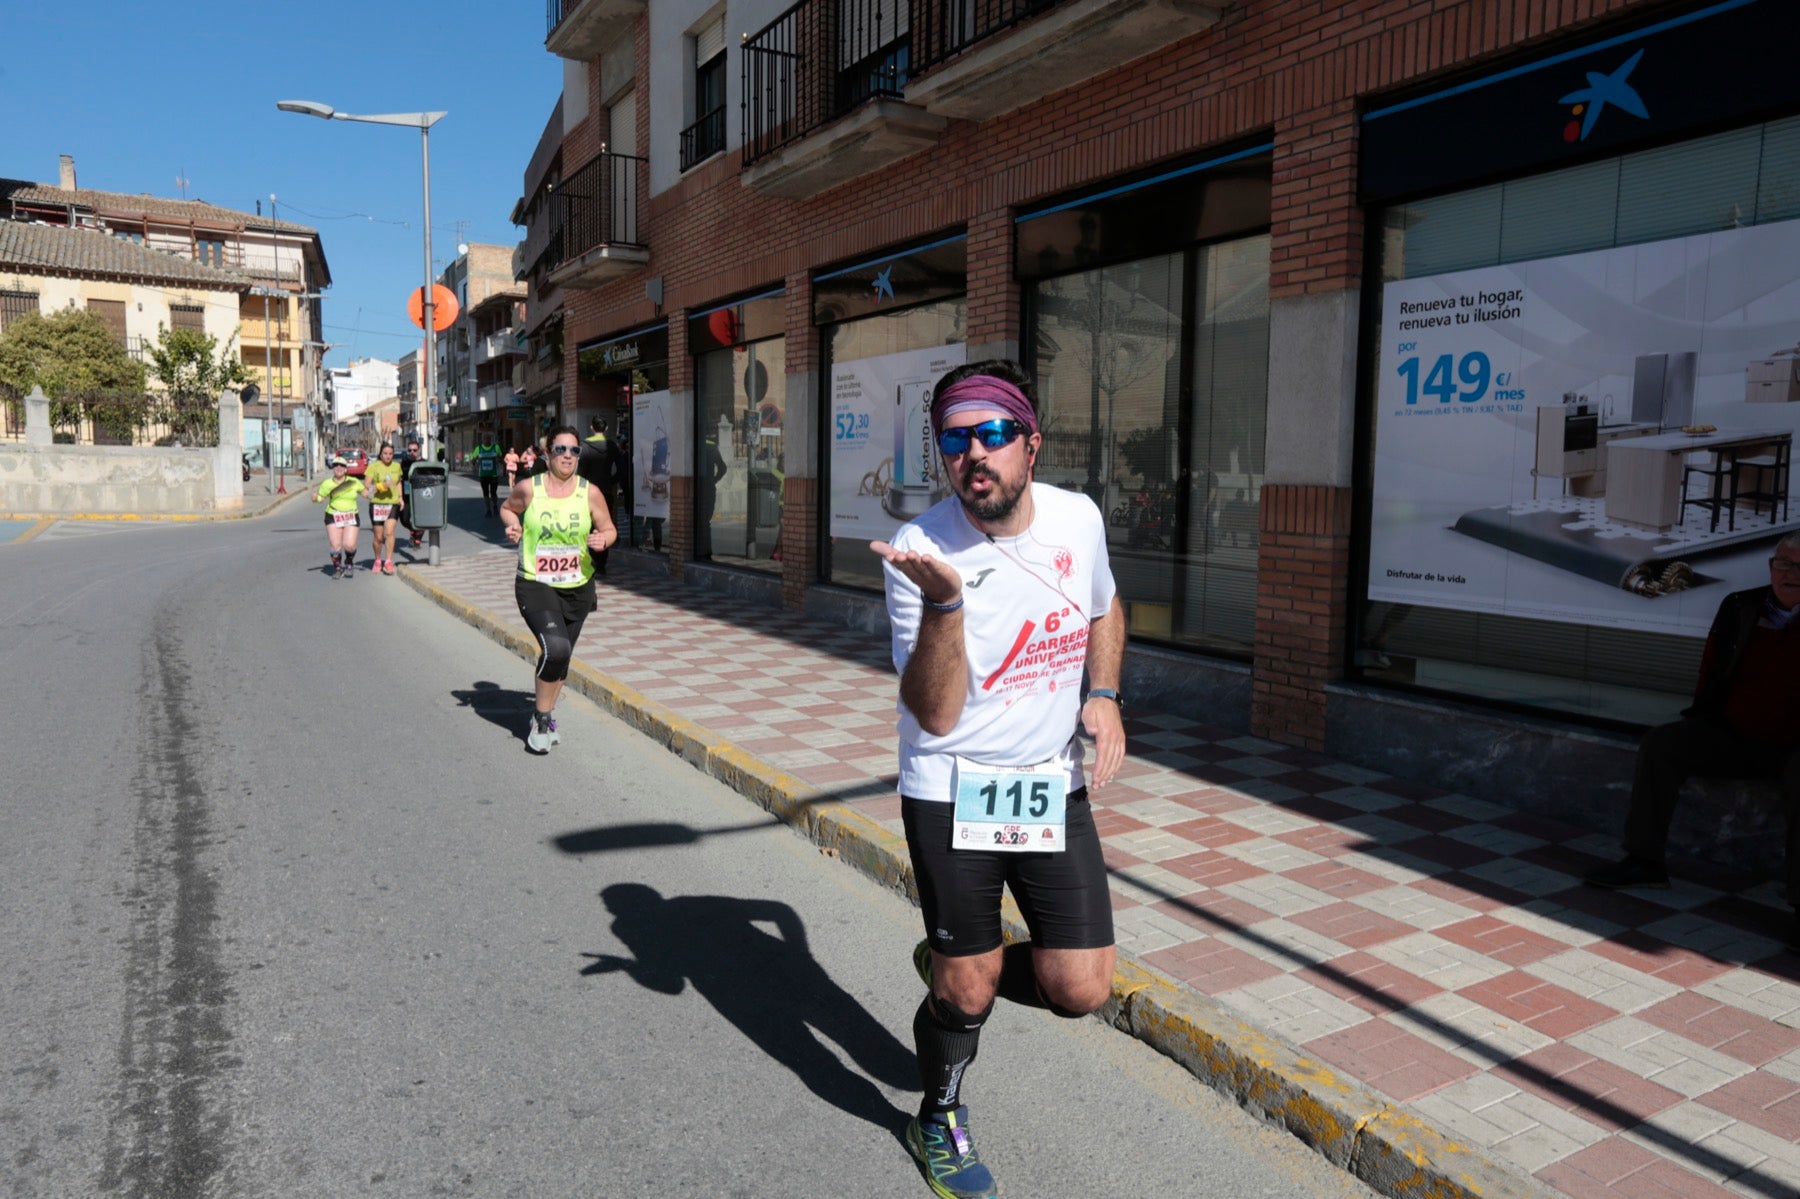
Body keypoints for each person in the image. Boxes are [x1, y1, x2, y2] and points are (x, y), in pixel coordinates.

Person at [869, 360, 1126, 1199]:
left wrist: (1105, 694)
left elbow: (1102, 606)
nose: (973, 454)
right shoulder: (918, 549)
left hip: (1049, 781)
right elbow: (934, 714)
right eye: (955, 439)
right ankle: (936, 1113)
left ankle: (954, 971)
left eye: (993, 434)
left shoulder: (1077, 518)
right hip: (950, 784)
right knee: (971, 983)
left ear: (1030, 441)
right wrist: (945, 606)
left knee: (1080, 985)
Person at [1587, 532, 1800, 950]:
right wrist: (1707, 717)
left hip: (1794, 748)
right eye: (1783, 563)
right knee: (1662, 744)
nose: (1790, 574)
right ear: (1771, 567)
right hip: (1735, 734)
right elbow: (1712, 669)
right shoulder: (1742, 606)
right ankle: (1645, 861)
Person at [500, 425, 617, 753]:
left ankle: (547, 715)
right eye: (561, 449)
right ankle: (539, 719)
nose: (568, 456)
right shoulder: (529, 488)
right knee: (556, 648)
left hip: (578, 585)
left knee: (561, 657)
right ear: (547, 454)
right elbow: (508, 508)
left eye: (574, 451)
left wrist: (602, 539)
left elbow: (609, 528)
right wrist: (513, 526)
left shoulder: (589, 492)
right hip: (535, 582)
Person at [578, 415, 624, 576]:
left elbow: (580, 473)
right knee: (604, 526)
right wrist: (611, 481)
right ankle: (602, 563)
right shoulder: (612, 446)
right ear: (605, 429)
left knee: (588, 527)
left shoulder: (584, 446)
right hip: (605, 492)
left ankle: (591, 559)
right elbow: (621, 469)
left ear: (592, 427)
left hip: (587, 494)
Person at [313, 455, 367, 579]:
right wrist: (315, 498)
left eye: (342, 465)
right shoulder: (327, 483)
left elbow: (365, 493)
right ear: (333, 468)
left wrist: (379, 489)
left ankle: (348, 562)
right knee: (335, 545)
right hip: (333, 514)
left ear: (346, 469)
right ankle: (338, 568)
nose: (338, 467)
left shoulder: (353, 482)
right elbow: (321, 498)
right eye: (336, 465)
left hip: (351, 515)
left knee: (349, 545)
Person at [363, 443, 405, 576]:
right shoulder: (373, 467)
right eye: (385, 453)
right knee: (379, 537)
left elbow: (398, 482)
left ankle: (388, 561)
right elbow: (367, 486)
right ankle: (377, 560)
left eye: (390, 454)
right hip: (377, 504)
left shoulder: (397, 466)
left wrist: (400, 497)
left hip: (392, 504)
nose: (388, 456)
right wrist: (382, 486)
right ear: (381, 454)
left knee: (389, 532)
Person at [397, 438, 424, 548]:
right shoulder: (404, 463)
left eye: (414, 450)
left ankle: (417, 539)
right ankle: (414, 531)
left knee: (421, 519)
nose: (412, 452)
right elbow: (399, 478)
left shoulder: (424, 463)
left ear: (419, 449)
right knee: (404, 519)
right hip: (406, 495)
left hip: (420, 496)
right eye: (410, 450)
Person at [473, 436, 503, 516]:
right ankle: (488, 510)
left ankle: (495, 506)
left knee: (493, 492)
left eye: (488, 439)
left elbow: (501, 459)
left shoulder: (495, 447)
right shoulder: (478, 449)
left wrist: (498, 459)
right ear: (482, 440)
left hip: (493, 475)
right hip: (483, 475)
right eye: (485, 439)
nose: (486, 440)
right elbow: (473, 460)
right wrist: (475, 461)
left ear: (490, 440)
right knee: (485, 493)